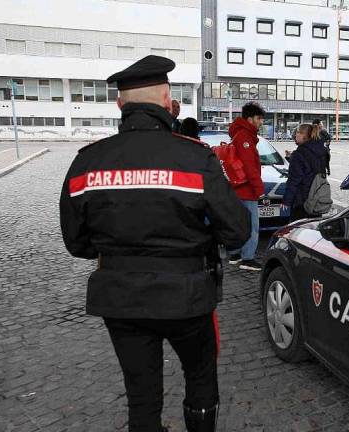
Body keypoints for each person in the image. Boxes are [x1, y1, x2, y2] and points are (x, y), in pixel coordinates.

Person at [59, 55, 251, 432]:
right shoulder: (196, 158)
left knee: (141, 394)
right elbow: (238, 231)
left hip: (120, 298)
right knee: (199, 378)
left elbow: (76, 242)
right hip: (188, 296)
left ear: (120, 104)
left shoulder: (88, 162)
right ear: (167, 101)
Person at [227, 102, 265, 271]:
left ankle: (235, 254)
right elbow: (250, 166)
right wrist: (259, 190)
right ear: (250, 119)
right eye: (259, 118)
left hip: (237, 188)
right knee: (251, 225)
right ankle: (248, 259)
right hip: (246, 189)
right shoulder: (245, 136)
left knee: (238, 222)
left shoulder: (238, 133)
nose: (261, 122)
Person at [282, 123, 329, 220]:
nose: (295, 135)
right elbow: (312, 167)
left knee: (298, 230)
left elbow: (294, 179)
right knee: (313, 228)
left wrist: (286, 201)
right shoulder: (321, 150)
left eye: (298, 133)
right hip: (317, 196)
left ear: (304, 135)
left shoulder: (299, 154)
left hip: (302, 200)